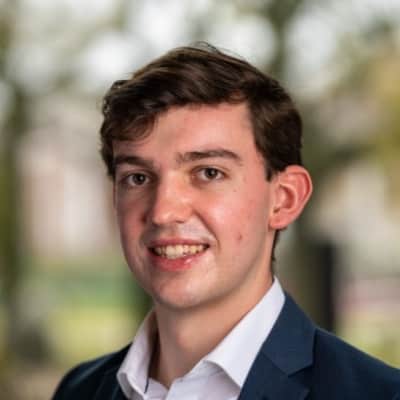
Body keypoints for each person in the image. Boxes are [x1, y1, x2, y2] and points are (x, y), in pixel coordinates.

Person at [52, 43, 400, 400]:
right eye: (137, 178)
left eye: (208, 172)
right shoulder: (78, 391)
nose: (163, 211)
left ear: (284, 199)